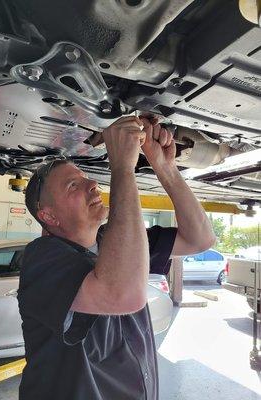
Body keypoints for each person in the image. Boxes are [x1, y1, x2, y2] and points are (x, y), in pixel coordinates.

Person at [18, 116, 215, 400]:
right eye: (73, 186)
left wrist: (166, 168)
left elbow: (200, 239)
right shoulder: (41, 259)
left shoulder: (115, 241)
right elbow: (122, 294)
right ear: (47, 215)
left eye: (88, 178)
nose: (93, 186)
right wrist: (122, 166)